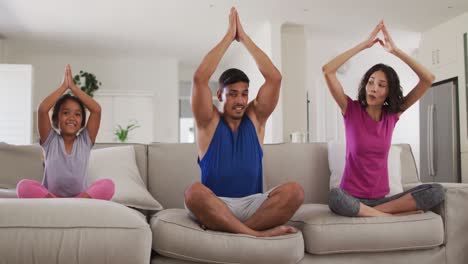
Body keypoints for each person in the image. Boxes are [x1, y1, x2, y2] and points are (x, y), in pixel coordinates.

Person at [184, 7, 304, 237]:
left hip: (253, 205)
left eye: (244, 93)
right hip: (218, 204)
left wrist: (245, 39)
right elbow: (200, 78)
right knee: (192, 193)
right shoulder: (208, 122)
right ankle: (256, 234)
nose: (240, 100)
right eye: (232, 94)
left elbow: (275, 78)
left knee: (295, 192)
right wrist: (229, 37)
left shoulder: (255, 118)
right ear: (219, 95)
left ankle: (238, 230)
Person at [323, 21, 444, 217]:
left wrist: (395, 50)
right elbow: (327, 70)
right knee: (335, 197)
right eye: (371, 82)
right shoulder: (350, 109)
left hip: (383, 199)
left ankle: (373, 213)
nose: (373, 88)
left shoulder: (391, 116)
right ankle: (385, 216)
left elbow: (428, 79)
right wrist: (364, 45)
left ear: (389, 92)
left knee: (436, 190)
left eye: (381, 85)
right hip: (351, 198)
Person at [16, 64, 115, 200]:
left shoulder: (85, 140)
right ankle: (56, 202)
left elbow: (96, 110)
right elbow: (43, 109)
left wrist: (73, 88)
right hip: (51, 196)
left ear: (82, 121)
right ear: (56, 118)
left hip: (80, 197)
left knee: (108, 185)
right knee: (23, 186)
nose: (72, 118)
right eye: (66, 113)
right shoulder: (50, 140)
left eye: (77, 114)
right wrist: (63, 87)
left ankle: (76, 202)